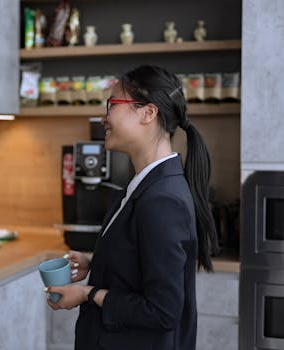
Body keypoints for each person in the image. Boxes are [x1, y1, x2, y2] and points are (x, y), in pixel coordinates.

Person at [46, 65, 219, 350]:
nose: (104, 118)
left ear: (148, 113)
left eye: (112, 105)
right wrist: (97, 265)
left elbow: (162, 311)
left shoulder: (163, 200)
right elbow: (142, 265)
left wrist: (89, 293)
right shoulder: (143, 185)